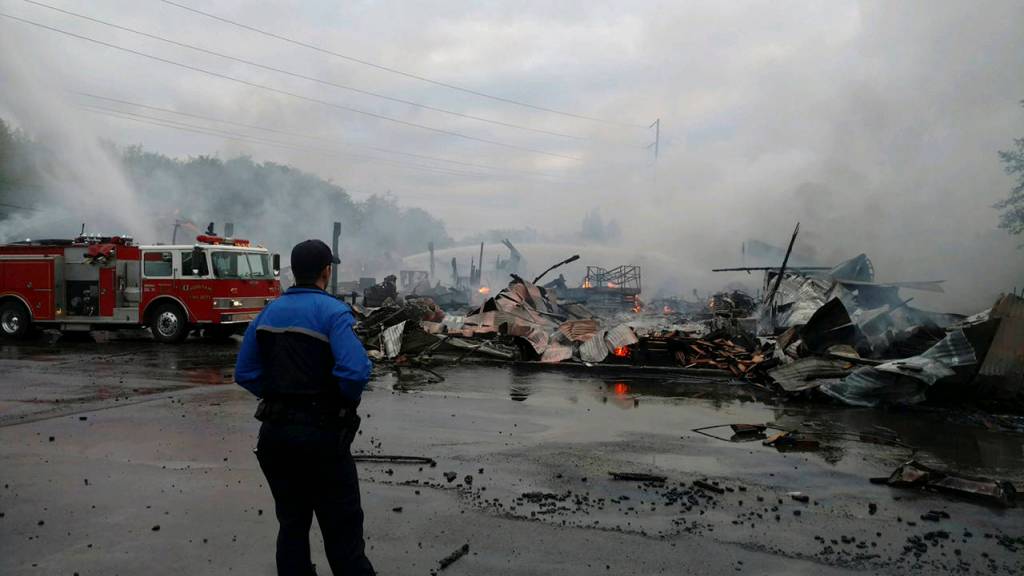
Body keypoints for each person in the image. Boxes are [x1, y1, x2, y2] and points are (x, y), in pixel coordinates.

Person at [235, 239, 374, 576]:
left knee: (292, 526)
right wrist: (342, 400)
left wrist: (280, 395)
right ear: (327, 271)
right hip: (322, 438)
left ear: (294, 272)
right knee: (343, 535)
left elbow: (245, 373)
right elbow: (354, 371)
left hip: (276, 438)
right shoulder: (333, 313)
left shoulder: (268, 313)